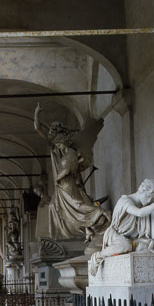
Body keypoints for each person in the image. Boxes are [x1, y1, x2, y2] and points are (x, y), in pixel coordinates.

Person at [34, 103, 109, 241]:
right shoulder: (58, 152)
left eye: (58, 143)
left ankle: (98, 214)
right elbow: (38, 129)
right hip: (62, 187)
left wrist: (57, 178)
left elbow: (68, 170)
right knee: (62, 209)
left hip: (69, 185)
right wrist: (36, 116)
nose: (57, 146)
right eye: (56, 144)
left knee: (78, 206)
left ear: (63, 141)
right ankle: (86, 229)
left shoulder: (71, 153)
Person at [89, 179, 154, 276]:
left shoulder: (140, 205)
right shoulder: (125, 201)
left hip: (128, 239)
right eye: (151, 197)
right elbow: (139, 213)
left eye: (153, 199)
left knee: (145, 246)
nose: (150, 201)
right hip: (114, 235)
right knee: (125, 245)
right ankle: (97, 256)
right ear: (144, 191)